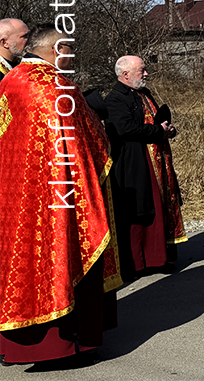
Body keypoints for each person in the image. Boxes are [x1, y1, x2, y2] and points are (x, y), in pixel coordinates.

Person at [0, 24, 121, 364]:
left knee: (20, 264)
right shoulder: (56, 88)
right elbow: (91, 141)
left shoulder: (11, 81)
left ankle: (16, 344)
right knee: (60, 260)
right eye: (69, 50)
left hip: (16, 195)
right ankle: (63, 347)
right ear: (58, 51)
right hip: (58, 196)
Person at [105, 55, 186, 281]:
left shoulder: (144, 93)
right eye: (142, 70)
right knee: (138, 211)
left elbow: (156, 120)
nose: (146, 74)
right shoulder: (114, 99)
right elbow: (125, 129)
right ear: (126, 74)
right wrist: (158, 132)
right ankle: (138, 262)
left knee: (159, 206)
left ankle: (158, 258)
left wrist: (168, 130)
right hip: (134, 163)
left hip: (155, 161)